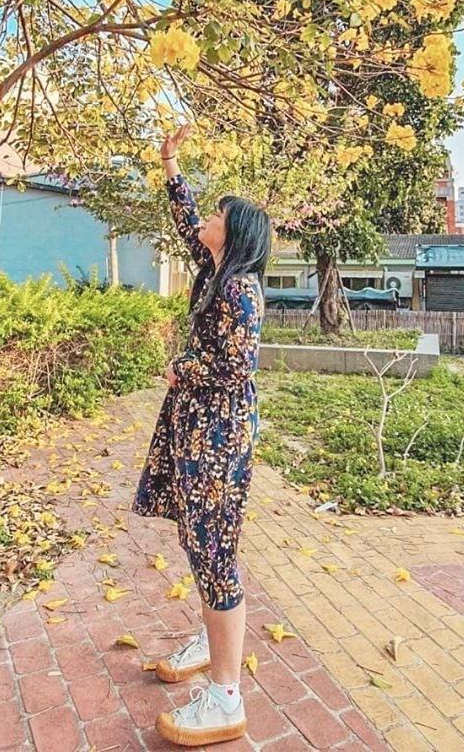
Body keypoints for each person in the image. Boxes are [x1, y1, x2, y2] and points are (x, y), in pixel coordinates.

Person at [133, 122, 271, 747]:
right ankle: (213, 642)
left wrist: (181, 367)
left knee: (214, 551)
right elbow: (187, 220)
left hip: (219, 434)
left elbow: (238, 365)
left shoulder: (239, 289)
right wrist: (170, 163)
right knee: (199, 540)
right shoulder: (214, 272)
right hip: (200, 427)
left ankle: (225, 697)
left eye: (219, 215)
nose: (207, 220)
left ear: (235, 234)